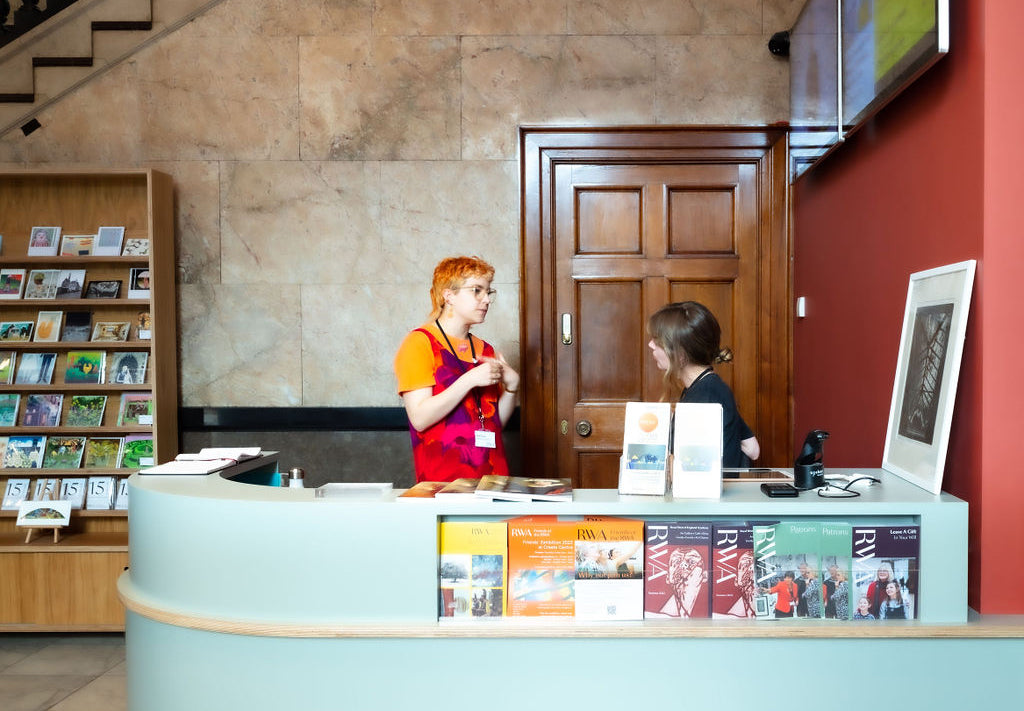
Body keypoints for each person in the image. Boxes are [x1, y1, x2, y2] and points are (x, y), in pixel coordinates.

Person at [394, 256, 519, 482]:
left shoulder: (484, 348)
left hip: (493, 480)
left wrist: (512, 387)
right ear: (448, 295)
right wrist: (469, 379)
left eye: (488, 292)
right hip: (443, 484)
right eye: (476, 291)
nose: (486, 300)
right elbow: (420, 418)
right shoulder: (419, 343)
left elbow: (493, 422)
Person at [647, 301, 759, 467]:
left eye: (657, 341)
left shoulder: (704, 397)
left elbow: (689, 468)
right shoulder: (711, 387)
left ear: (680, 354)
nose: (650, 344)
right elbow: (752, 448)